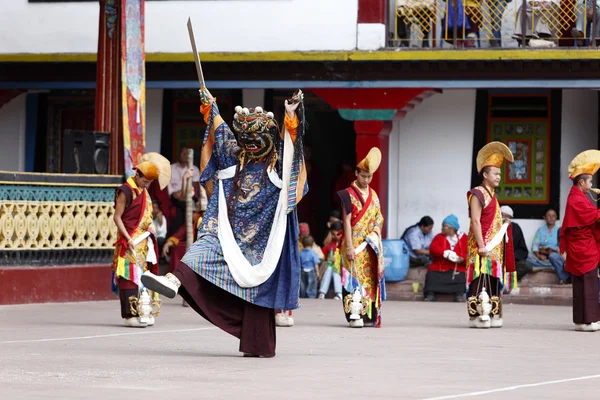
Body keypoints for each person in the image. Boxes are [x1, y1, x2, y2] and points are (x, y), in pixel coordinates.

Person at [142, 88, 308, 357]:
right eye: (246, 138)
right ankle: (173, 280)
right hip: (227, 232)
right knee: (202, 246)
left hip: (262, 242)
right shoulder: (235, 157)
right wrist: (212, 109)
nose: (250, 142)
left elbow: (291, 152)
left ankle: (258, 343)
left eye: (256, 138)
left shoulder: (276, 166)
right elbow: (221, 132)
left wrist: (291, 119)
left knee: (257, 294)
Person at [111, 153, 171, 328]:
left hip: (143, 241)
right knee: (128, 275)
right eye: (145, 181)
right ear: (137, 175)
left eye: (149, 183)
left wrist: (150, 229)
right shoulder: (125, 191)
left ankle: (144, 310)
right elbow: (117, 217)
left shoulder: (143, 192)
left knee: (143, 275)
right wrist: (128, 238)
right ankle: (129, 315)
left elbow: (147, 216)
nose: (146, 185)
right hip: (128, 240)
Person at [466, 142, 516, 329]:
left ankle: (493, 313)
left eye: (500, 174)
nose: (498, 177)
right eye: (495, 174)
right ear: (485, 175)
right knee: (479, 279)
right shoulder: (477, 194)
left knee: (493, 280)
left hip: (494, 247)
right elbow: (476, 221)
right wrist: (480, 245)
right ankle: (477, 315)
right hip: (481, 246)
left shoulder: (492, 195)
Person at [338, 148, 385, 328]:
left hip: (369, 245)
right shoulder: (347, 194)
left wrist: (374, 232)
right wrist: (349, 247)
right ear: (356, 173)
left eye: (369, 177)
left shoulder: (374, 195)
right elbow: (347, 221)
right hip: (354, 244)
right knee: (353, 278)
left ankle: (369, 315)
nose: (366, 180)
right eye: (363, 176)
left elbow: (378, 217)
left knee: (370, 279)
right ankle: (353, 314)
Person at [560, 150, 600, 332]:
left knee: (581, 283)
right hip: (585, 248)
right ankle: (589, 320)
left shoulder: (576, 197)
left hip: (579, 247)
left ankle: (580, 320)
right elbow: (593, 216)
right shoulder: (577, 199)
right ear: (582, 182)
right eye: (590, 181)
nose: (592, 184)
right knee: (589, 282)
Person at [423, 214, 467, 303]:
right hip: (440, 266)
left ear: (452, 228)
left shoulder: (464, 238)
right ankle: (430, 294)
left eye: (444, 226)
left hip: (456, 267)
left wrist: (462, 259)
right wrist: (444, 253)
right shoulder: (438, 237)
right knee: (432, 273)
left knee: (461, 276)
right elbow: (433, 249)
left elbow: (469, 253)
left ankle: (458, 294)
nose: (442, 228)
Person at [167, 147, 201, 235]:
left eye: (187, 153)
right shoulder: (171, 168)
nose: (185, 155)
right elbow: (168, 186)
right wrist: (173, 193)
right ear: (179, 153)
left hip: (189, 197)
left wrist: (184, 191)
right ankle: (174, 238)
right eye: (183, 153)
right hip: (174, 198)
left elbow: (195, 188)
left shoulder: (194, 169)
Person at [531, 208, 569, 283]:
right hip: (542, 258)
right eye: (549, 216)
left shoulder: (559, 231)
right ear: (544, 217)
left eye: (553, 216)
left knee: (554, 256)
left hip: (555, 256)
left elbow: (563, 248)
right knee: (526, 258)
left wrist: (553, 250)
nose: (551, 218)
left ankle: (564, 278)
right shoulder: (540, 230)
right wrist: (539, 256)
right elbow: (535, 246)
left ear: (556, 218)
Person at [500, 205, 534, 282]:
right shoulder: (493, 227)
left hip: (513, 259)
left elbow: (523, 250)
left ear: (511, 218)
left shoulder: (516, 228)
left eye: (507, 216)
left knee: (526, 265)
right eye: (502, 215)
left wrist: (511, 256)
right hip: (497, 260)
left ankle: (509, 281)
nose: (504, 218)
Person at [318, 220, 343, 300]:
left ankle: (338, 292)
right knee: (329, 268)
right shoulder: (332, 243)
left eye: (334, 234)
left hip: (342, 267)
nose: (332, 236)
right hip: (332, 266)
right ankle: (322, 292)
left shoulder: (345, 242)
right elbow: (324, 252)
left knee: (334, 270)